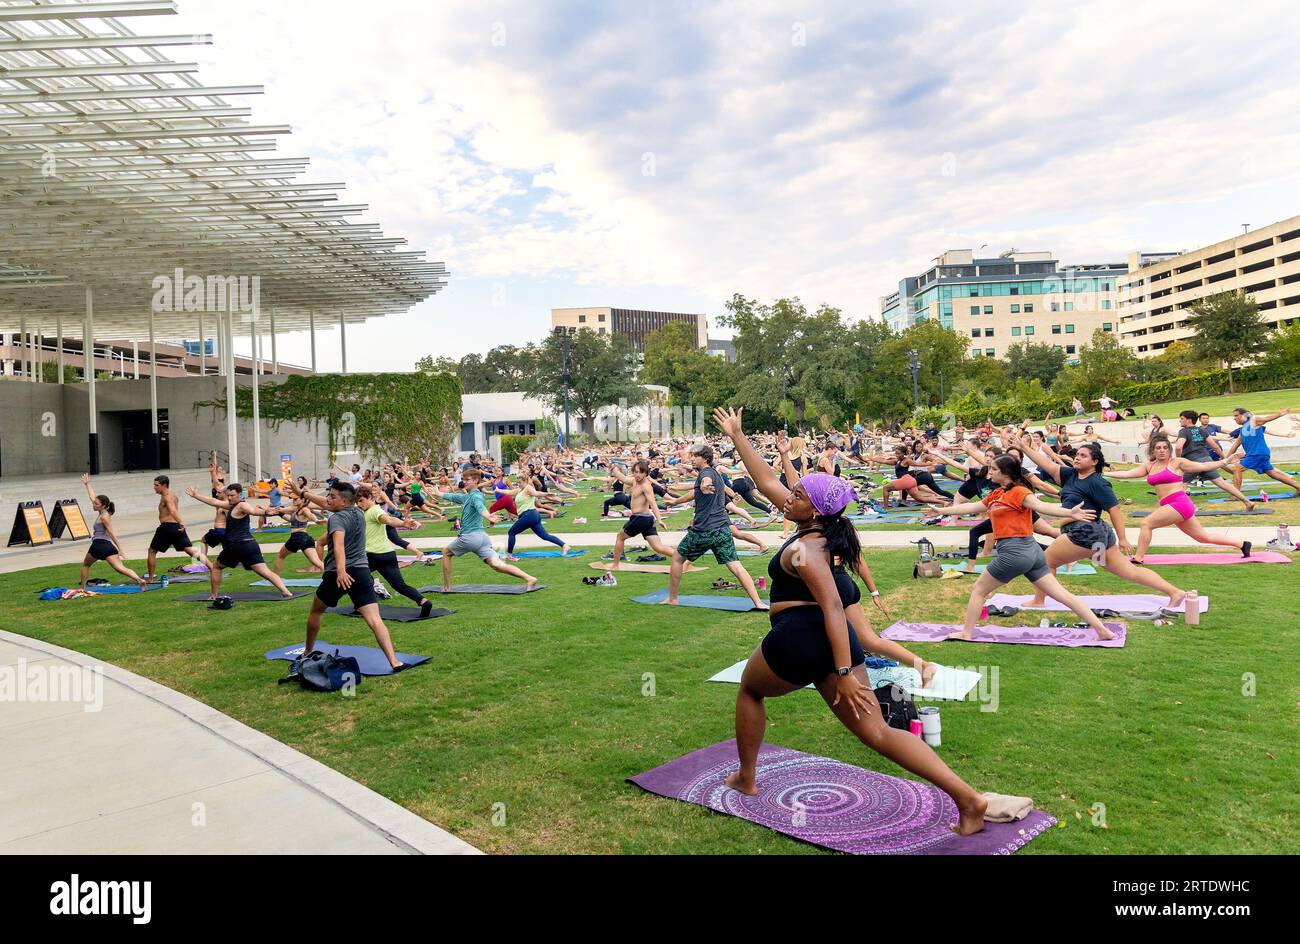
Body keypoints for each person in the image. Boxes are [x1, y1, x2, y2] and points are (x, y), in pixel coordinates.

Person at [711, 407, 986, 834]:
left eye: (799, 494)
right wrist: (738, 435)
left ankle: (747, 779)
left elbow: (835, 610)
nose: (789, 496)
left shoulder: (811, 550)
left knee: (750, 691)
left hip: (804, 639)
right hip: (828, 644)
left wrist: (842, 673)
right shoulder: (820, 530)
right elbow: (768, 481)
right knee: (876, 732)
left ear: (816, 509)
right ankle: (969, 800)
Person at [935, 455, 1115, 641]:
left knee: (978, 590)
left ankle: (966, 633)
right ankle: (1103, 631)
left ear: (1005, 473)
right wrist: (942, 511)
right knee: (1062, 595)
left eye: (994, 469)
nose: (990, 472)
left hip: (1016, 553)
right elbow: (972, 506)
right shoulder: (997, 494)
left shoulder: (1020, 492)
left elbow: (1041, 506)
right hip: (1032, 553)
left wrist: (1069, 512)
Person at [1014, 435, 1188, 610]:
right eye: (1077, 455)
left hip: (1084, 534)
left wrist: (1124, 539)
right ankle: (1175, 592)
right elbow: (1047, 464)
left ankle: (1039, 601)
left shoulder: (1098, 483)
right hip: (1097, 536)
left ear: (1094, 462)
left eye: (1083, 455)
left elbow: (1115, 510)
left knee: (1045, 562)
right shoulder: (1070, 475)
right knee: (1129, 571)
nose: (1077, 457)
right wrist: (1024, 447)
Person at [301, 482, 406, 672]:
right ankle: (394, 661)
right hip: (362, 572)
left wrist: (341, 571)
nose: (328, 499)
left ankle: (307, 651)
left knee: (316, 611)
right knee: (375, 619)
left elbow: (338, 544)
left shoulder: (337, 519)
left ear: (343, 501)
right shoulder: (359, 512)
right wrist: (304, 494)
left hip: (338, 574)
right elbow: (325, 504)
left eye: (332, 496)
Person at [1105, 435, 1251, 563]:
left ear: (1169, 450)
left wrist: (1225, 461)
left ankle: (1138, 557)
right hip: (1169, 506)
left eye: (1165, 447)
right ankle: (1243, 544)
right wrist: (1103, 473)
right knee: (1203, 537)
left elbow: (1203, 465)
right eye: (1158, 448)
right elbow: (1128, 474)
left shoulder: (1177, 463)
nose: (1162, 450)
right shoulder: (1150, 466)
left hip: (1179, 503)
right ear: (1153, 450)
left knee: (1146, 523)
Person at [662, 443, 767, 608]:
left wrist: (705, 484)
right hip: (722, 529)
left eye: (694, 456)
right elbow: (694, 492)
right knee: (736, 566)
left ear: (704, 457)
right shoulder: (716, 473)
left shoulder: (706, 473)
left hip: (704, 530)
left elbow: (705, 481)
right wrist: (675, 500)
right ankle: (758, 603)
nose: (691, 459)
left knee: (677, 558)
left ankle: (673, 598)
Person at [427, 468, 537, 591]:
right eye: (463, 479)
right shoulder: (468, 497)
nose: (464, 482)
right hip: (482, 538)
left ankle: (447, 588)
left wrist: (488, 515)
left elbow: (480, 507)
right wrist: (439, 493)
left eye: (467, 480)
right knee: (497, 565)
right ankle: (529, 578)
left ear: (475, 481)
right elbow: (453, 496)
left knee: (446, 553)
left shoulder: (476, 496)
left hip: (470, 537)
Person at [184, 483, 295, 600]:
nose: (230, 498)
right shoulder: (232, 506)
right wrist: (196, 495)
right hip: (250, 545)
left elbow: (252, 510)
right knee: (264, 571)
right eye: (228, 495)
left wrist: (265, 513)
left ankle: (213, 596)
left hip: (237, 545)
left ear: (239, 494)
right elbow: (214, 502)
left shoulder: (242, 505)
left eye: (232, 495)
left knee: (216, 567)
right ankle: (286, 592)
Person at [354, 485, 436, 618]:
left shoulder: (374, 511)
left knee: (355, 577)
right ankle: (423, 602)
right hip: (387, 554)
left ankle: (360, 606)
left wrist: (403, 524)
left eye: (361, 500)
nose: (359, 504)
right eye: (357, 501)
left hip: (372, 555)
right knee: (400, 586)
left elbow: (388, 520)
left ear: (370, 497)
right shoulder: (368, 511)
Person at [79, 474, 147, 589]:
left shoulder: (104, 517)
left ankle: (82, 588)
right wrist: (87, 484)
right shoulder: (103, 512)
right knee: (120, 568)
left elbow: (111, 533)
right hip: (108, 547)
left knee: (86, 565)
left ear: (103, 505)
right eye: (94, 503)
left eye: (96, 504)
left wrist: (120, 549)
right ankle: (140, 580)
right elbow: (92, 496)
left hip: (99, 545)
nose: (93, 504)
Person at [1173, 410, 1254, 508]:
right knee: (1222, 483)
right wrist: (1224, 459)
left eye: (1182, 419)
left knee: (1177, 482)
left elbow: (1178, 447)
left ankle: (1188, 506)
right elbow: (1215, 446)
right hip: (1207, 460)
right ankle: (1247, 502)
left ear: (1189, 420)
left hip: (1193, 463)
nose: (1180, 421)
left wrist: (1178, 459)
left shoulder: (1183, 431)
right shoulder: (1201, 430)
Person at [605, 461, 676, 568]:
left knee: (620, 537)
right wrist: (613, 467)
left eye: (640, 472)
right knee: (658, 547)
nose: (637, 474)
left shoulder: (645, 486)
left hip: (640, 519)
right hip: (645, 520)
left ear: (645, 473)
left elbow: (653, 503)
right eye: (636, 472)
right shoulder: (634, 481)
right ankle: (683, 559)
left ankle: (615, 564)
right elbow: (622, 478)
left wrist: (660, 519)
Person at [1222, 407, 1300, 496]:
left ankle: (1236, 495)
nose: (1234, 418)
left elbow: (1266, 419)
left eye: (1236, 415)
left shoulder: (1253, 421)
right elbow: (1235, 445)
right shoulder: (1243, 429)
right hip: (1258, 454)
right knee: (1272, 473)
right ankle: (1299, 487)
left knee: (1237, 469)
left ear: (1244, 415)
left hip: (1257, 454)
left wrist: (1279, 414)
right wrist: (1226, 459)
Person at [144, 474, 207, 582]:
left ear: (164, 485)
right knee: (189, 550)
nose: (154, 487)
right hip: (176, 527)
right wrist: (179, 523)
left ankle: (150, 578)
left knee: (152, 551)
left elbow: (173, 510)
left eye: (157, 485)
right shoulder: (173, 495)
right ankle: (211, 566)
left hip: (167, 527)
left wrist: (181, 522)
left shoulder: (167, 497)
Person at [500, 474, 573, 560]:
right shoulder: (520, 490)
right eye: (517, 482)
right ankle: (565, 546)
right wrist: (498, 490)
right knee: (544, 536)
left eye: (520, 482)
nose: (518, 484)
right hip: (533, 516)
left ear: (525, 481)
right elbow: (509, 492)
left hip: (528, 515)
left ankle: (509, 554)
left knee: (511, 532)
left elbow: (536, 493)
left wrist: (546, 493)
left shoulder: (528, 488)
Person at [271, 496, 325, 574]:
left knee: (280, 556)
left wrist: (316, 520)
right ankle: (332, 578)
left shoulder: (304, 509)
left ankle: (274, 579)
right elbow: (290, 519)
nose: (293, 500)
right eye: (293, 499)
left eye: (296, 499)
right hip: (306, 539)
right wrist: (278, 513)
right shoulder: (296, 510)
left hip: (297, 537)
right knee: (317, 562)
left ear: (303, 500)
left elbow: (310, 515)